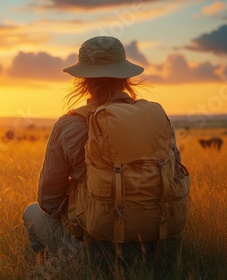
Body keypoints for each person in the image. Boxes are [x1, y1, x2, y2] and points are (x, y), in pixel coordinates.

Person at [22, 36, 185, 265]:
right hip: (154, 246)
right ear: (126, 77)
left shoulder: (68, 125)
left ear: (82, 80)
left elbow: (48, 201)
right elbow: (176, 177)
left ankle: (59, 267)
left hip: (94, 252)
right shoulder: (157, 118)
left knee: (31, 212)